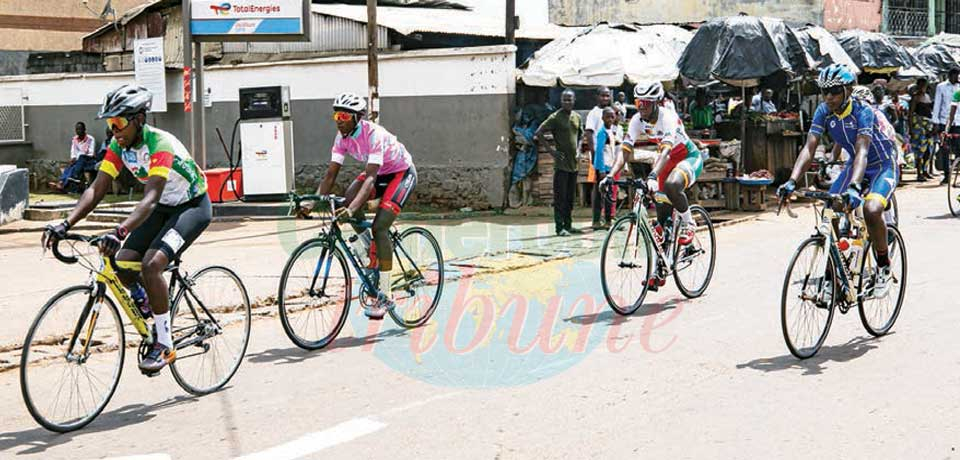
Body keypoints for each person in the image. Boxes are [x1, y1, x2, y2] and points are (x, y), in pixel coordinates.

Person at [42, 84, 211, 374]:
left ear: (139, 119)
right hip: (161, 209)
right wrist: (65, 223)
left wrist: (118, 232)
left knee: (151, 265)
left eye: (119, 123)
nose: (114, 131)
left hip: (191, 207)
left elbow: (150, 198)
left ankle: (165, 345)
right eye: (110, 124)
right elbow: (96, 190)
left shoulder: (160, 144)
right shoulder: (119, 147)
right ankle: (150, 302)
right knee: (121, 264)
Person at [777, 64, 898, 298]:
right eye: (825, 92)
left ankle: (883, 265)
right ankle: (836, 272)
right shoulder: (823, 111)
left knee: (872, 210)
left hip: (881, 166)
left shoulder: (864, 112)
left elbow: (862, 150)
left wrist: (854, 186)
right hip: (855, 165)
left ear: (848, 90)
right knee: (830, 210)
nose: (829, 97)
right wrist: (792, 180)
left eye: (834, 92)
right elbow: (809, 146)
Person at [302, 92, 417, 320]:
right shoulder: (341, 138)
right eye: (336, 115)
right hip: (378, 173)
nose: (339, 120)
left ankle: (386, 294)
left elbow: (371, 178)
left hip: (400, 174)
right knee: (346, 200)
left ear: (357, 117)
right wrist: (311, 202)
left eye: (344, 115)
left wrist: (352, 210)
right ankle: (369, 248)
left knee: (380, 227)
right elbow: (330, 175)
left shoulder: (373, 134)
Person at [601, 80, 708, 291]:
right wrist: (611, 175)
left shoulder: (667, 117)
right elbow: (625, 151)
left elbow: (666, 150)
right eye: (638, 102)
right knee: (662, 221)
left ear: (657, 102)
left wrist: (652, 175)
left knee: (671, 185)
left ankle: (689, 224)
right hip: (665, 162)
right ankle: (660, 270)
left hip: (687, 156)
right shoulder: (636, 121)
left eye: (646, 103)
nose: (641, 107)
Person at [535, 89, 583, 237]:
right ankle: (559, 227)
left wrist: (579, 149)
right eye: (564, 100)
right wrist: (552, 152)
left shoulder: (577, 117)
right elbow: (538, 133)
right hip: (561, 165)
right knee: (560, 198)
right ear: (561, 101)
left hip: (573, 165)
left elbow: (580, 135)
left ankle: (568, 226)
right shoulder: (555, 117)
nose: (567, 102)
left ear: (574, 100)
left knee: (570, 198)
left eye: (569, 99)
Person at [590, 107, 620, 229]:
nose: (610, 119)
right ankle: (598, 221)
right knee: (600, 194)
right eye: (608, 117)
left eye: (612, 117)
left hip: (609, 166)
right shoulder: (602, 132)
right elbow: (599, 151)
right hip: (603, 168)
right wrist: (601, 170)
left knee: (608, 194)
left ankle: (608, 220)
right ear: (602, 118)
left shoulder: (610, 131)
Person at [908, 79, 935, 181]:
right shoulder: (915, 97)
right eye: (921, 85)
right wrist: (910, 129)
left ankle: (925, 171)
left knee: (928, 150)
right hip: (918, 126)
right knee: (919, 150)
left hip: (928, 126)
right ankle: (919, 173)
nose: (922, 87)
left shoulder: (927, 97)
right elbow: (910, 114)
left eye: (924, 85)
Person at [57, 122, 96, 192]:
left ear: (84, 129)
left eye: (80, 129)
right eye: (77, 129)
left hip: (88, 160)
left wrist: (78, 157)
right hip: (78, 162)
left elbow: (91, 153)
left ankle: (65, 182)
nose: (78, 131)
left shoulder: (90, 139)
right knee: (71, 167)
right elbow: (73, 151)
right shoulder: (74, 139)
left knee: (81, 158)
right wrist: (73, 158)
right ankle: (62, 182)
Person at [938, 68, 960, 185]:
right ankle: (947, 174)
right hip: (951, 123)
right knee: (945, 148)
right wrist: (945, 131)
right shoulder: (957, 94)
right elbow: (950, 115)